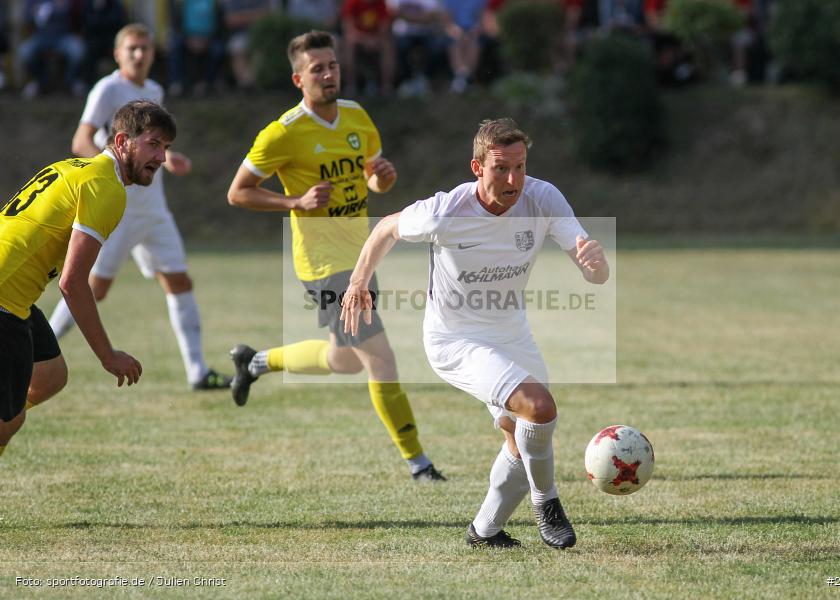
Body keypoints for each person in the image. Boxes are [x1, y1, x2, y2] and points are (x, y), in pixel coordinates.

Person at [340, 118, 610, 547]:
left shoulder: (543, 197)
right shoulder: (445, 211)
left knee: (522, 438)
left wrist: (596, 267)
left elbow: (591, 268)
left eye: (520, 167)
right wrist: (358, 281)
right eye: (501, 168)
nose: (513, 179)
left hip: (512, 331)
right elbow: (387, 226)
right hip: (455, 340)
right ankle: (548, 503)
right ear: (477, 167)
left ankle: (484, 531)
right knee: (538, 408)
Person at [226, 30, 444, 482]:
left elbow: (374, 183)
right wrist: (295, 202)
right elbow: (237, 193)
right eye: (317, 69)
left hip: (363, 258)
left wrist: (383, 178)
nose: (328, 75)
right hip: (324, 268)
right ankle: (419, 463)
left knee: (344, 359)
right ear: (298, 79)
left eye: (333, 66)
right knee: (380, 358)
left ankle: (255, 361)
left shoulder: (356, 116)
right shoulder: (282, 134)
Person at [47, 24, 232, 391]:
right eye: (131, 48)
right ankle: (40, 343)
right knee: (92, 288)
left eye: (145, 48)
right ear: (118, 54)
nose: (138, 54)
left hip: (155, 210)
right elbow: (81, 139)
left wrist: (171, 156)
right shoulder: (108, 89)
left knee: (178, 280)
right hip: (119, 209)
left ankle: (196, 371)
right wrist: (113, 166)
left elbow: (147, 143)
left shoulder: (153, 90)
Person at [0, 99, 175, 459]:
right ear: (124, 140)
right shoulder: (106, 188)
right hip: (5, 297)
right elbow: (73, 282)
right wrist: (107, 354)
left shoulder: (73, 166)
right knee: (7, 423)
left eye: (166, 148)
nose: (161, 158)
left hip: (14, 291)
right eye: (154, 144)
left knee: (49, 376)